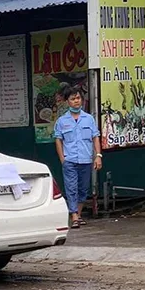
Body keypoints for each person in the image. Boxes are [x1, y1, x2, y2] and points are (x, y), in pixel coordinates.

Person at [54, 86, 102, 229]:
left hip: (86, 159)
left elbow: (95, 137)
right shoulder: (62, 121)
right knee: (71, 188)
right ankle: (74, 216)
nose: (76, 101)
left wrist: (98, 156)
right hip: (70, 160)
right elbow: (58, 140)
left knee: (83, 189)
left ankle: (78, 215)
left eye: (78, 98)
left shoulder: (89, 119)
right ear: (68, 101)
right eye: (73, 99)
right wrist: (62, 158)